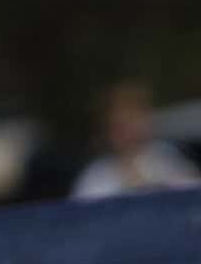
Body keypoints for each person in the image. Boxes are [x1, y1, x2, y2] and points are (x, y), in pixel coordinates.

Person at [70, 82, 201, 201]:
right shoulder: (96, 178)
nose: (129, 132)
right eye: (121, 125)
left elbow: (191, 196)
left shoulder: (166, 160)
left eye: (134, 120)